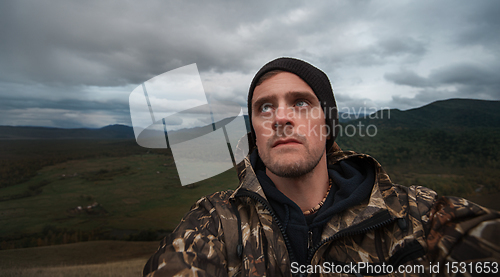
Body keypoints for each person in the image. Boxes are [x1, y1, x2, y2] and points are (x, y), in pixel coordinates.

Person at [143, 57, 499, 277]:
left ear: (327, 125)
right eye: (264, 108)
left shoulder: (413, 214)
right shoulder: (215, 222)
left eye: (300, 103)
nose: (281, 117)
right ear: (254, 130)